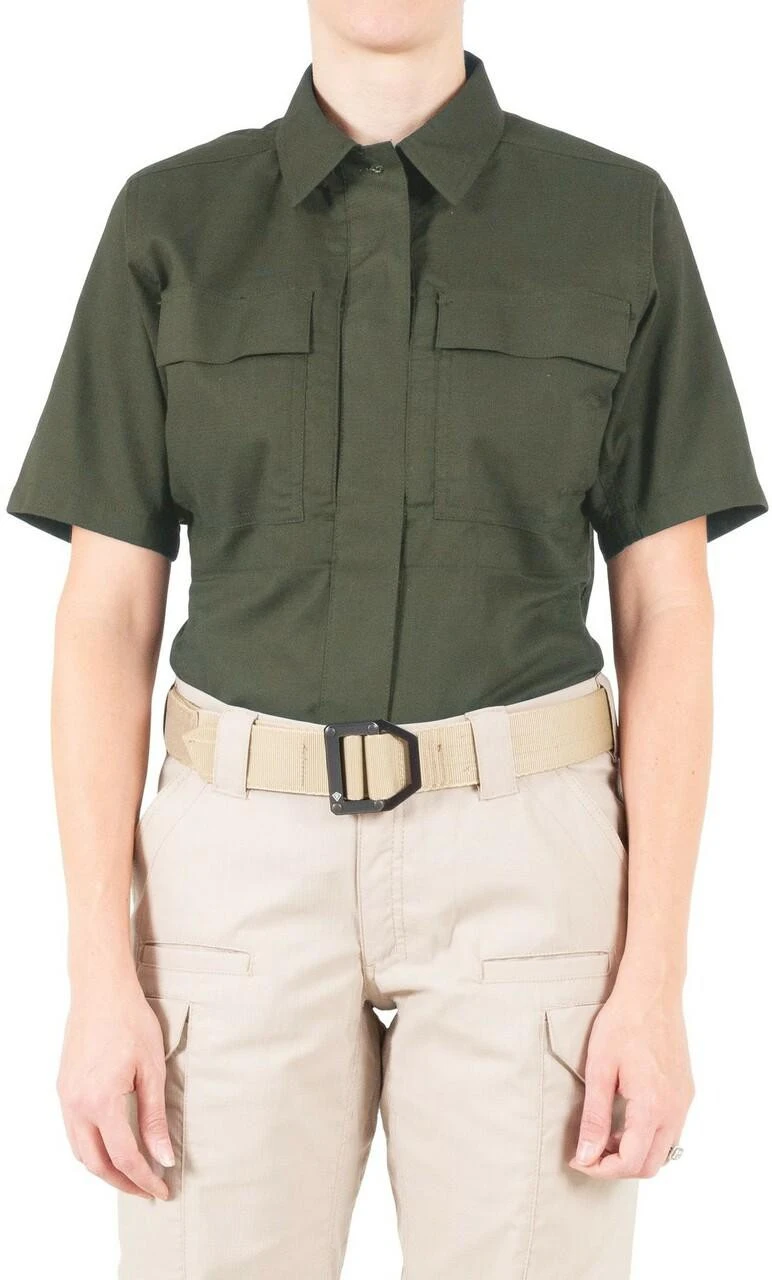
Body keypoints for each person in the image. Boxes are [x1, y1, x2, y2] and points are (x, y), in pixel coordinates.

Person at [6, 2, 768, 1277]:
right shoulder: (168, 221)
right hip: (233, 872)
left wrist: (654, 978)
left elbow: (668, 610)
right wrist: (96, 974)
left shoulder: (613, 215)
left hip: (526, 866)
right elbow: (105, 612)